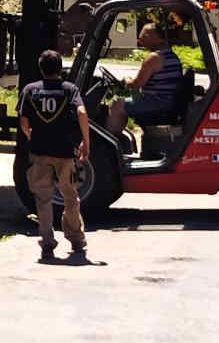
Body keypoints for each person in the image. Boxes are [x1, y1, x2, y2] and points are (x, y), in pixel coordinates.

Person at [20, 49, 91, 262]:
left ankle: (47, 243)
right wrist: (86, 141)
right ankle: (76, 239)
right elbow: (81, 112)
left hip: (40, 152)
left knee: (43, 198)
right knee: (70, 197)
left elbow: (23, 119)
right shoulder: (69, 89)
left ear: (41, 68)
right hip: (65, 153)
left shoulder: (30, 90)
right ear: (60, 68)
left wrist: (29, 134)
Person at [107, 22, 189, 139]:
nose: (140, 40)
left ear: (154, 37)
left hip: (157, 103)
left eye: (143, 36)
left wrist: (126, 80)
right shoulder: (172, 56)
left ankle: (110, 141)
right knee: (128, 100)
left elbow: (136, 85)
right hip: (168, 102)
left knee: (117, 104)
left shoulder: (154, 57)